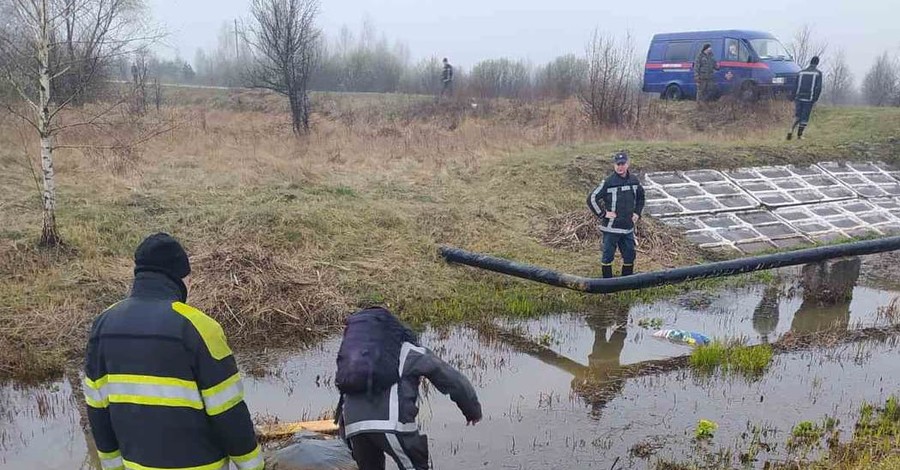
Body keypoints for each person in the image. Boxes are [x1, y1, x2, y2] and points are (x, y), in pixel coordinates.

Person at [84, 233, 262, 470]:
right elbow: (228, 411)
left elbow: (97, 409)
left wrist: (114, 466)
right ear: (181, 278)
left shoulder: (103, 325)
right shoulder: (199, 327)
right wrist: (253, 465)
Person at [336, 307, 482, 470]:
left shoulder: (355, 357)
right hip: (391, 425)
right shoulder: (409, 351)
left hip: (353, 428)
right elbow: (452, 379)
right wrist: (472, 410)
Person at [587, 151, 645, 278]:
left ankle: (626, 283)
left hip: (628, 228)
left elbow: (641, 198)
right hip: (611, 228)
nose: (620, 167)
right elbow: (592, 198)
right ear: (614, 165)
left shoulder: (634, 181)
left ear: (627, 164)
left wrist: (637, 213)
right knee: (608, 256)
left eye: (622, 164)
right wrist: (603, 214)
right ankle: (607, 285)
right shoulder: (608, 182)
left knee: (630, 256)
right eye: (617, 164)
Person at [787, 56, 823, 141]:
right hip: (809, 98)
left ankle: (790, 130)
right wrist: (815, 98)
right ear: (817, 63)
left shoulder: (801, 72)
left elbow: (795, 85)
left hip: (798, 97)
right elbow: (818, 87)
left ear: (810, 62)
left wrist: (792, 96)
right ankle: (799, 135)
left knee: (797, 115)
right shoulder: (818, 73)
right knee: (804, 117)